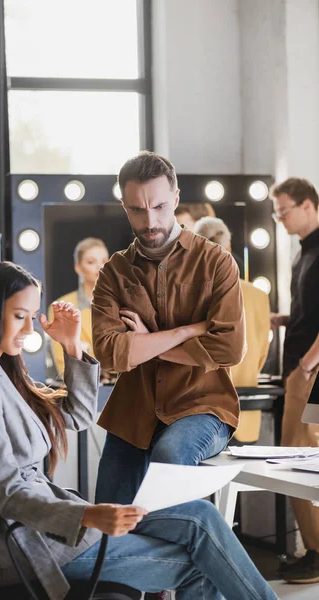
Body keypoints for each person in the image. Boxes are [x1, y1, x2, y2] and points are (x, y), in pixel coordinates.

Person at [0, 261, 277, 600]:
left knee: (201, 515)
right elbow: (10, 493)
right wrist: (89, 514)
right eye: (19, 316)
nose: (30, 329)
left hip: (47, 531)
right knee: (202, 560)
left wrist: (72, 347)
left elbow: (76, 416)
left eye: (32, 316)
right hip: (32, 546)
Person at [92, 151, 246, 506]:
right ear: (124, 207)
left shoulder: (216, 262)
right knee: (106, 525)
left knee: (170, 456)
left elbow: (229, 349)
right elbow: (110, 353)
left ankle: (188, 555)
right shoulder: (114, 272)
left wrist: (145, 343)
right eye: (137, 210)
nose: (150, 221)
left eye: (160, 207)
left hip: (203, 407)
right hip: (133, 412)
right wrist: (185, 332)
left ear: (176, 199)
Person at [270, 177, 319, 583]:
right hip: (303, 369)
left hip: (312, 372)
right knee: (298, 460)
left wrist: (306, 365)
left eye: (284, 210)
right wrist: (285, 320)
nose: (280, 218)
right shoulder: (304, 254)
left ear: (308, 205)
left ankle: (317, 553)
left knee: (298, 461)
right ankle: (316, 551)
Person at [193, 217, 271, 443]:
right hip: (245, 411)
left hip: (203, 413)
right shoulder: (258, 295)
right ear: (228, 248)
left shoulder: (192, 296)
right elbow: (262, 352)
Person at [49, 237, 109, 378]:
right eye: (91, 262)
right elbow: (63, 364)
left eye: (104, 261)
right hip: (78, 386)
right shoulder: (62, 306)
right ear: (78, 267)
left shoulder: (123, 303)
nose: (99, 266)